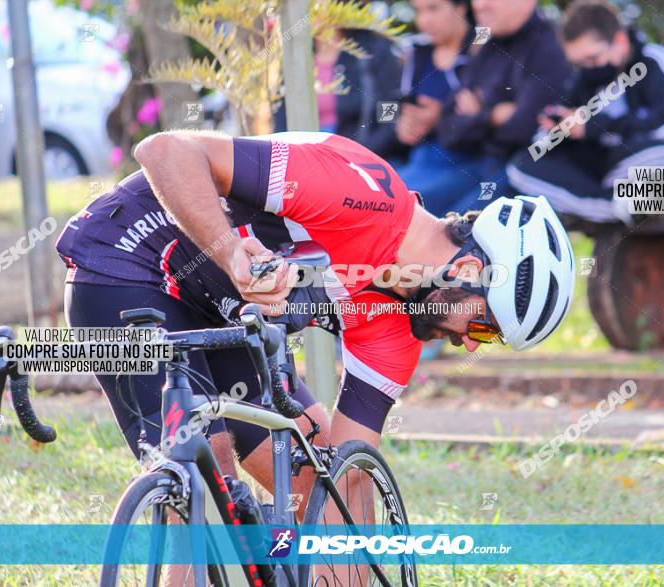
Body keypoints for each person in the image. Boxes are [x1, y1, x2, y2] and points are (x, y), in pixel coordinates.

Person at [55, 129, 575, 518]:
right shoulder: (361, 195)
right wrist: (232, 253)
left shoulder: (398, 328)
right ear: (466, 271)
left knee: (320, 476)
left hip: (218, 310)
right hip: (122, 265)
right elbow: (163, 151)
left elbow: (352, 479)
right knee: (203, 470)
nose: (469, 346)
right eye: (482, 328)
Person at [506, 0, 664, 224]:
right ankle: (615, 206)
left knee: (661, 155)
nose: (588, 67)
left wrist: (594, 128)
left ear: (620, 41)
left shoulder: (655, 61)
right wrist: (560, 130)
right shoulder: (585, 80)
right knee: (521, 167)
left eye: (593, 58)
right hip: (610, 175)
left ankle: (610, 205)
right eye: (579, 63)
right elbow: (549, 141)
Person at [402, 0, 571, 216]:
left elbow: (522, 131)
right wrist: (492, 115)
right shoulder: (488, 44)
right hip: (471, 162)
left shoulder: (549, 48)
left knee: (448, 229)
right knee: (401, 204)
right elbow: (449, 127)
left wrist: (478, 114)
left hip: (521, 175)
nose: (480, 5)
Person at [273, 29, 407, 161]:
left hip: (366, 156)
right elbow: (281, 116)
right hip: (307, 157)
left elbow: (390, 112)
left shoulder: (374, 50)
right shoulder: (295, 55)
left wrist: (364, 153)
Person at [392, 0, 474, 195]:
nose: (425, 21)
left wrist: (441, 117)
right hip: (418, 158)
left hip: (466, 163)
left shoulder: (482, 52)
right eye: (418, 11)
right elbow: (387, 108)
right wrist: (402, 126)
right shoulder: (416, 52)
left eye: (434, 8)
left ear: (460, 7)